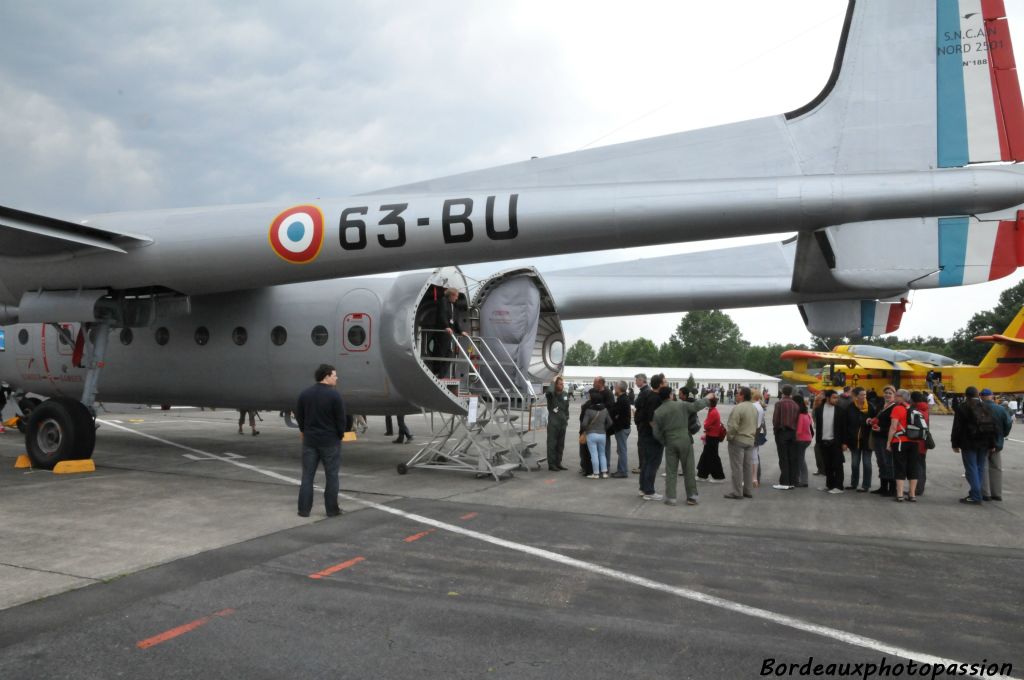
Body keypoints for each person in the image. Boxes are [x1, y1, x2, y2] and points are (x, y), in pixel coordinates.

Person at [295, 364, 346, 518]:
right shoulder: (335, 395)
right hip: (330, 441)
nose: (337, 377)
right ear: (326, 376)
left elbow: (299, 416)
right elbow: (341, 419)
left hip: (310, 441)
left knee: (307, 476)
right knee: (331, 476)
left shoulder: (305, 394)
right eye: (334, 375)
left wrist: (305, 430)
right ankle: (332, 509)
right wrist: (339, 435)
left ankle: (304, 510)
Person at [653, 387, 708, 506]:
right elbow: (695, 406)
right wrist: (707, 399)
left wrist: (665, 441)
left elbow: (656, 433)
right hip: (685, 439)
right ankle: (692, 496)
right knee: (688, 469)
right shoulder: (681, 405)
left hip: (670, 441)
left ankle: (671, 498)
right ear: (670, 395)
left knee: (671, 471)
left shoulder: (658, 412)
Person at [635, 373, 666, 500]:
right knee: (652, 463)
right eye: (664, 382)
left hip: (644, 433)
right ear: (659, 384)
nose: (666, 384)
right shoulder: (655, 398)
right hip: (651, 436)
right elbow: (651, 419)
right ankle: (649, 491)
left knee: (646, 463)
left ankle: (643, 488)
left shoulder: (647, 394)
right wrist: (658, 435)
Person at [724, 387, 758, 499]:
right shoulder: (754, 408)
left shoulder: (738, 408)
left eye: (738, 393)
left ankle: (737, 492)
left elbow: (733, 426)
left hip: (738, 440)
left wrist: (729, 437)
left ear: (742, 395)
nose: (736, 395)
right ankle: (747, 490)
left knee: (737, 467)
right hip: (750, 440)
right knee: (747, 467)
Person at [980, 388, 1012, 502]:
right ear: (992, 396)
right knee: (996, 467)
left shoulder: (978, 409)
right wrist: (1003, 434)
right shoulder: (1001, 409)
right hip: (997, 442)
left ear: (981, 396)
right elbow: (1008, 423)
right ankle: (997, 493)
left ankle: (985, 493)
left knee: (983, 467)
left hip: (982, 442)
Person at [814, 390, 846, 494]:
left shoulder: (840, 410)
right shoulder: (819, 410)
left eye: (837, 398)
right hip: (823, 442)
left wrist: (844, 443)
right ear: (827, 398)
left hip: (836, 442)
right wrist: (818, 441)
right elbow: (818, 427)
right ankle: (829, 485)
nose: (836, 400)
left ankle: (839, 487)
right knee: (827, 465)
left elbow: (843, 428)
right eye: (834, 397)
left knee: (837, 465)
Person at [888, 389, 918, 502]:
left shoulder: (897, 408)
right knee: (913, 467)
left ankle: (900, 494)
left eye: (896, 396)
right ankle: (912, 494)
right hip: (914, 442)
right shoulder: (913, 409)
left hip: (900, 441)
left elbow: (893, 427)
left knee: (900, 467)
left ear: (901, 397)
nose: (894, 397)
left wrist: (888, 442)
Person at [843, 387, 874, 492]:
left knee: (867, 463)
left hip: (867, 440)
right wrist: (845, 441)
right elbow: (846, 424)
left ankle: (866, 485)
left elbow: (875, 421)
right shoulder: (850, 407)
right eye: (861, 395)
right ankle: (854, 483)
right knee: (855, 464)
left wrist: (869, 422)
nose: (864, 397)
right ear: (856, 396)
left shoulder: (871, 407)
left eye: (865, 395)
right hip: (854, 440)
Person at [434, 287, 469, 377]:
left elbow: (455, 320)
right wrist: (446, 326)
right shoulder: (444, 301)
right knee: (442, 352)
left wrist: (461, 331)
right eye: (456, 296)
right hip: (443, 332)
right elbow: (442, 314)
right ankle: (437, 372)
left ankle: (440, 374)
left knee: (449, 353)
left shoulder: (453, 305)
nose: (457, 298)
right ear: (452, 295)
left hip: (449, 333)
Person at [869, 386, 897, 496]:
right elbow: (877, 418)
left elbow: (895, 425)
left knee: (888, 463)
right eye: (886, 393)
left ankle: (892, 489)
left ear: (894, 395)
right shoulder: (881, 405)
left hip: (887, 438)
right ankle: (883, 486)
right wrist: (871, 420)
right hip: (877, 437)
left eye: (890, 393)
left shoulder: (894, 407)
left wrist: (882, 429)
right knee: (880, 462)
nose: (887, 395)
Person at [771, 384, 800, 490]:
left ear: (782, 392)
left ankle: (784, 482)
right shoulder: (795, 404)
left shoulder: (779, 403)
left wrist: (775, 432)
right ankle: (793, 481)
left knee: (783, 458)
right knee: (792, 457)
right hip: (793, 433)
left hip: (782, 432)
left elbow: (776, 420)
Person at [580, 388, 613, 479]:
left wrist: (587, 429)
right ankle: (605, 472)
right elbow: (610, 422)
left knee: (594, 454)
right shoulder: (605, 410)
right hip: (602, 434)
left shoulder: (589, 410)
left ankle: (596, 473)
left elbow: (584, 424)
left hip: (591, 434)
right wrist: (604, 429)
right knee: (602, 454)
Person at [696, 393, 726, 483]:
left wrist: (706, 425)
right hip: (712, 436)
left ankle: (718, 477)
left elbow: (706, 425)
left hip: (713, 437)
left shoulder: (713, 412)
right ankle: (702, 475)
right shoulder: (712, 410)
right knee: (707, 456)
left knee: (712, 457)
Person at [545, 376, 570, 471]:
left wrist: (566, 418)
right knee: (552, 444)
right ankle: (551, 464)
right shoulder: (551, 395)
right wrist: (552, 380)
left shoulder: (565, 394)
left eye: (562, 383)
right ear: (555, 385)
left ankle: (558, 462)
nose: (562, 385)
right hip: (553, 423)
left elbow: (566, 408)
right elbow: (548, 391)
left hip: (563, 423)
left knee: (560, 444)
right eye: (560, 384)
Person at [611, 380, 632, 477]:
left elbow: (614, 412)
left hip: (622, 428)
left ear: (619, 388)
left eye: (615, 387)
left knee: (622, 450)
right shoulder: (623, 398)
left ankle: (623, 471)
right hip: (624, 427)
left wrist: (615, 418)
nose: (614, 389)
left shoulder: (622, 399)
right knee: (621, 450)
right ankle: (621, 470)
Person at [910, 391, 930, 495]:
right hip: (923, 441)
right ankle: (920, 487)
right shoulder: (925, 408)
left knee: (918, 466)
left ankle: (918, 489)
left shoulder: (916, 410)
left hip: (917, 441)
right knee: (921, 464)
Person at [794, 394, 813, 487]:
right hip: (807, 439)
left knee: (800, 460)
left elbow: (799, 430)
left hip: (801, 440)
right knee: (801, 459)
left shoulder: (800, 415)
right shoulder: (807, 413)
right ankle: (802, 479)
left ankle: (804, 481)